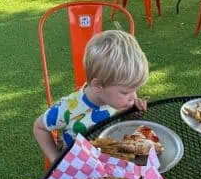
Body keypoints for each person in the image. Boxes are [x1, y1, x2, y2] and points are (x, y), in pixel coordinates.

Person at [33, 30, 149, 161]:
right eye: (125, 92)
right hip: (77, 163)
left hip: (110, 157)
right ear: (98, 85)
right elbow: (39, 127)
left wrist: (133, 113)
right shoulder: (68, 108)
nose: (133, 97)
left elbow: (121, 125)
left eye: (135, 89)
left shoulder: (117, 99)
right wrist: (55, 159)